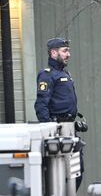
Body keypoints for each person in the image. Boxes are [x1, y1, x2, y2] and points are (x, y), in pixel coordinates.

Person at [35, 37, 85, 186]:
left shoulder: (65, 74)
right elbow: (41, 105)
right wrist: (50, 128)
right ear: (53, 53)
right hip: (57, 129)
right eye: (65, 51)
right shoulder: (47, 75)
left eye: (68, 51)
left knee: (76, 172)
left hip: (70, 129)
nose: (68, 54)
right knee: (58, 173)